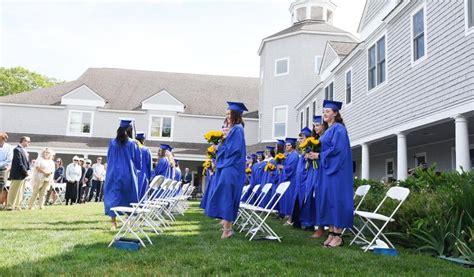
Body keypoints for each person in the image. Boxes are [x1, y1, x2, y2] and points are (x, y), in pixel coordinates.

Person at [205, 101, 247, 239]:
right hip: (228, 167)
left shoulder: (237, 129)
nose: (228, 116)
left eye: (230, 113)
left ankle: (227, 230)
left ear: (236, 114)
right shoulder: (235, 129)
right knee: (225, 196)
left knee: (227, 196)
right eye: (227, 114)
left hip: (232, 168)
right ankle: (227, 227)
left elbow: (233, 150)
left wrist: (218, 148)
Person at [318, 100, 354, 248]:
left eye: (327, 111)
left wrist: (319, 156)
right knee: (329, 201)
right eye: (324, 111)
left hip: (337, 171)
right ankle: (332, 233)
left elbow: (337, 151)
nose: (324, 114)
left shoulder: (339, 129)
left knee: (336, 200)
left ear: (335, 113)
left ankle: (338, 236)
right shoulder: (328, 130)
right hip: (328, 171)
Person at [104, 119, 141, 231]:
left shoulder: (112, 142)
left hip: (113, 173)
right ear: (130, 130)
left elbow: (109, 157)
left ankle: (113, 223)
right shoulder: (132, 143)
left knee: (113, 196)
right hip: (127, 173)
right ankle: (128, 221)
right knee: (128, 196)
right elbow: (137, 161)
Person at [301, 116, 327, 238]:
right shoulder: (315, 139)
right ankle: (314, 224)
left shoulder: (325, 138)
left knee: (319, 197)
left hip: (321, 171)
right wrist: (308, 155)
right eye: (315, 125)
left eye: (318, 125)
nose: (316, 127)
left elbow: (326, 156)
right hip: (314, 171)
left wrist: (317, 155)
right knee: (312, 196)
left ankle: (321, 227)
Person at [291, 127, 312, 229]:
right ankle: (297, 221)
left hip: (306, 179)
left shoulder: (310, 150)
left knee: (305, 199)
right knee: (298, 198)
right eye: (299, 139)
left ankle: (307, 223)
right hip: (299, 180)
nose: (299, 140)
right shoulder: (302, 151)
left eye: (302, 138)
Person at [278, 137, 299, 223]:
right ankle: (288, 217)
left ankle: (291, 219)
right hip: (288, 180)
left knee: (290, 199)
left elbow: (290, 169)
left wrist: (282, 167)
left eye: (289, 145)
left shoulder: (294, 155)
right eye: (286, 145)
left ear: (293, 145)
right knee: (287, 199)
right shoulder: (289, 155)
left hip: (291, 180)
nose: (287, 147)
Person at [135, 132, 152, 200]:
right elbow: (149, 165)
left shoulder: (132, 148)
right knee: (142, 195)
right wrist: (150, 176)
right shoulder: (146, 150)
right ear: (143, 140)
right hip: (143, 175)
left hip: (134, 174)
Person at [0, 132, 13, 208]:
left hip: (3, 169)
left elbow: (8, 160)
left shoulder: (9, 148)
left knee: (1, 186)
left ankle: (1, 203)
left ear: (4, 139)